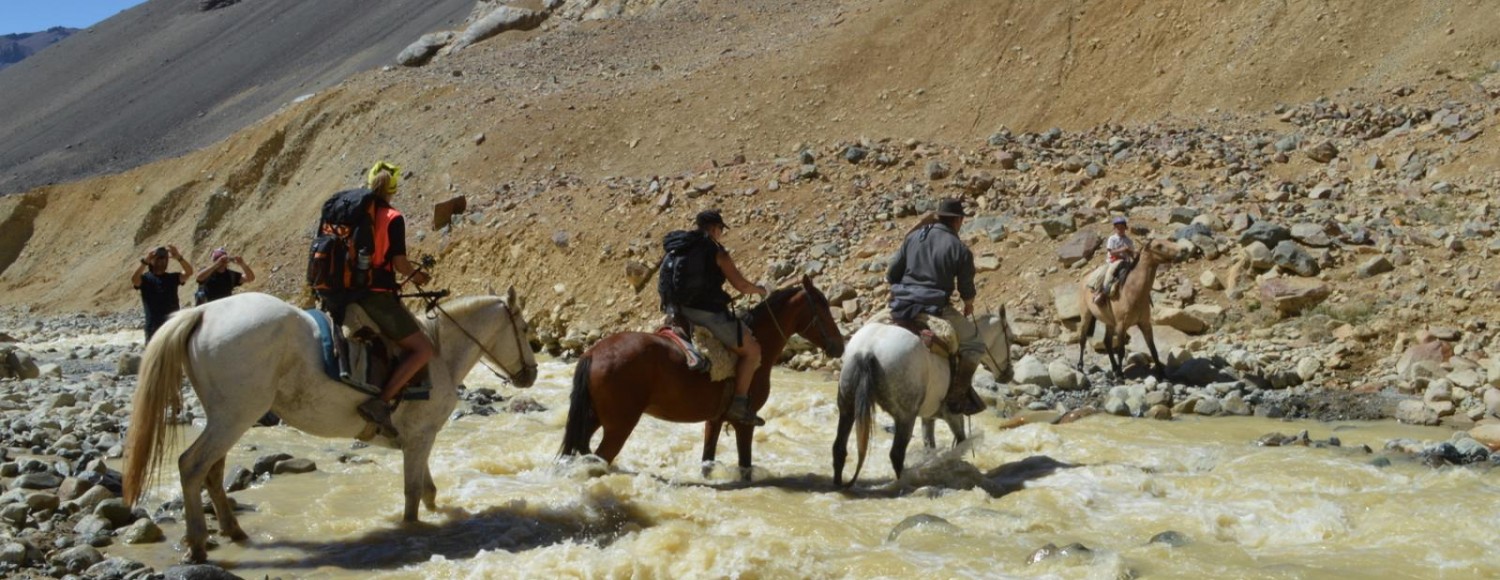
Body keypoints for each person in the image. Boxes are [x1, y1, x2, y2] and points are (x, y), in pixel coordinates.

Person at [351, 161, 434, 439]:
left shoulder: (352, 213)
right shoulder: (392, 217)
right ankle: (381, 401)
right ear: (394, 188)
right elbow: (399, 264)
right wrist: (417, 276)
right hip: (375, 295)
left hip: (344, 291)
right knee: (423, 349)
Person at [669, 209, 770, 426]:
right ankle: (739, 404)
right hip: (707, 314)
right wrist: (761, 290)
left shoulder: (682, 246)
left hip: (680, 312)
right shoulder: (717, 251)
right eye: (721, 229)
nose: (721, 233)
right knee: (752, 351)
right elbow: (741, 286)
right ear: (714, 228)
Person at [886, 198, 985, 415]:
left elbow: (891, 274)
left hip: (900, 304)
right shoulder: (960, 248)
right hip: (933, 306)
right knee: (975, 344)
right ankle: (957, 397)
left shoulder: (913, 237)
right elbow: (966, 289)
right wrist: (968, 304)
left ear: (939, 216)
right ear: (958, 221)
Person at [131, 245, 194, 341]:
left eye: (164, 258)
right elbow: (134, 279)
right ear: (151, 261)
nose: (162, 261)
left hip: (172, 325)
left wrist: (178, 257)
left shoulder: (172, 278)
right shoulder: (145, 279)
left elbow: (189, 272)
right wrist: (145, 261)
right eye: (158, 258)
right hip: (153, 328)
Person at [1095, 216, 1136, 305]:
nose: (1120, 229)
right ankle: (1101, 293)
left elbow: (1132, 253)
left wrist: (1131, 252)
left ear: (1125, 228)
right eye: (1118, 227)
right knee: (1104, 275)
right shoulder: (1112, 239)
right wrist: (1123, 250)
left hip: (1125, 262)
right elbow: (1111, 252)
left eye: (1122, 227)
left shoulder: (1128, 240)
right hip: (1112, 262)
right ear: (1114, 228)